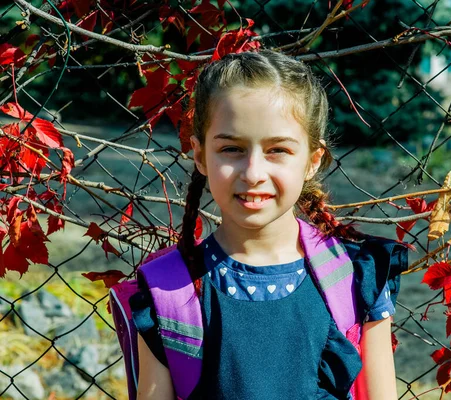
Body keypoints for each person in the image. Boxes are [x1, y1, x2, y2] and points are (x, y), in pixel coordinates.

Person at [130, 49, 407, 400]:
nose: (253, 173)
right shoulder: (168, 292)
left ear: (312, 160)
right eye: (231, 149)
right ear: (200, 155)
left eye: (277, 150)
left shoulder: (356, 276)